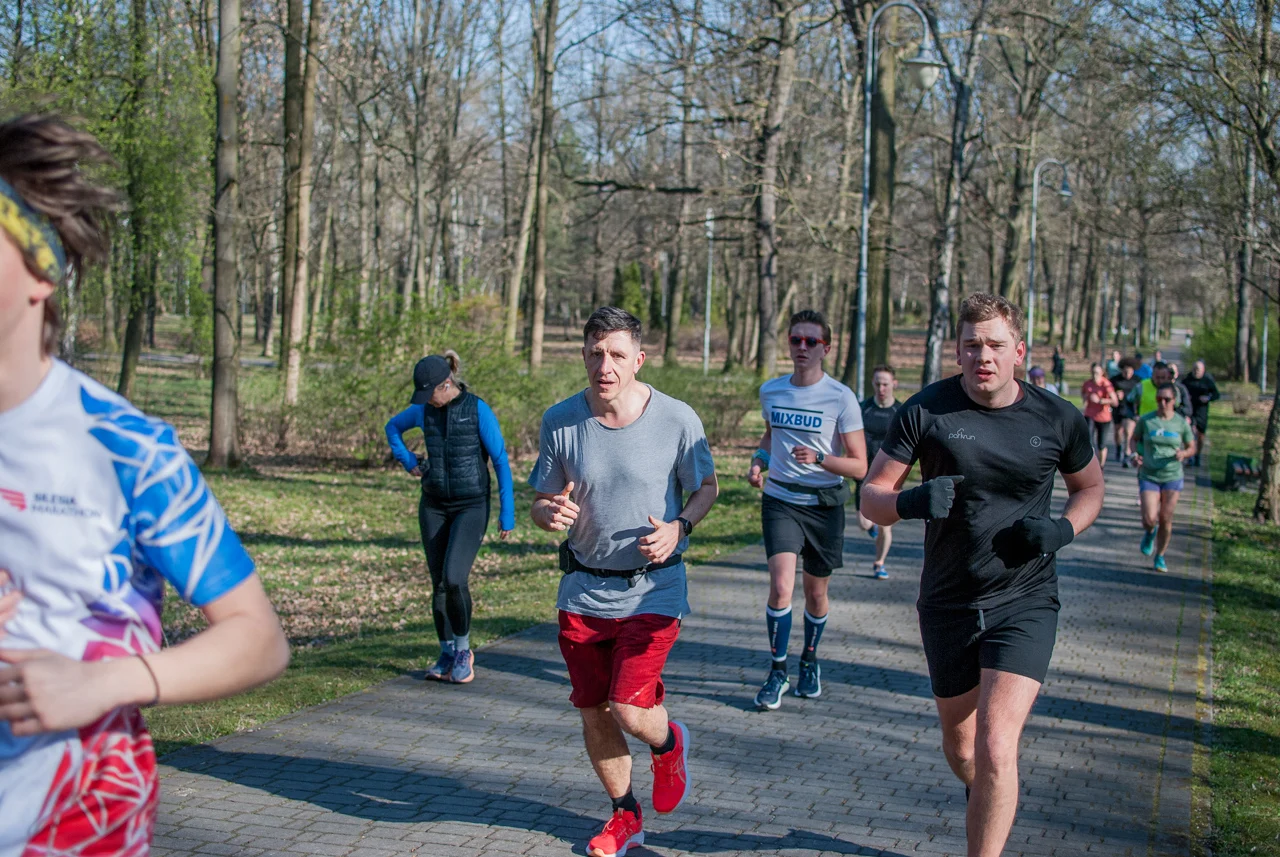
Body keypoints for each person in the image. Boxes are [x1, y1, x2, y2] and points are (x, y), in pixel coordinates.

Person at [0, 114, 289, 853]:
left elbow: (258, 640)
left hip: (75, 814)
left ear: (41, 270)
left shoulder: (125, 447)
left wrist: (103, 682)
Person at [861, 293, 1104, 857]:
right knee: (964, 746)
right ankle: (985, 795)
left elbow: (1090, 488)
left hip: (1025, 598)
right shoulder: (926, 410)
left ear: (1018, 351)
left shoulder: (1057, 417)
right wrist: (913, 501)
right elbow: (872, 497)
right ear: (958, 351)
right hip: (947, 600)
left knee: (998, 745)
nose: (983, 356)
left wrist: (1063, 531)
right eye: (972, 345)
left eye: (995, 345)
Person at [529, 306, 717, 857]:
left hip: (654, 587)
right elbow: (544, 497)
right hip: (583, 591)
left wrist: (681, 525)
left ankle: (669, 740)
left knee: (630, 708)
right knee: (594, 709)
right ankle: (624, 815)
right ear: (582, 356)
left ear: (638, 358)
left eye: (615, 354)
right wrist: (546, 514)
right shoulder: (560, 420)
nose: (603, 365)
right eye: (593, 353)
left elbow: (705, 489)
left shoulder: (678, 419)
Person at [746, 310, 867, 710]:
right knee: (781, 587)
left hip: (823, 505)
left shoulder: (840, 397)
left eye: (810, 342)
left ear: (825, 349)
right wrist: (759, 461)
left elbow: (860, 465)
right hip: (780, 500)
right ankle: (777, 670)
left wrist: (819, 459)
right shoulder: (772, 391)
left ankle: (809, 661)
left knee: (816, 593)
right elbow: (770, 435)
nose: (801, 347)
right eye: (795, 340)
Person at [385, 351, 515, 684]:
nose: (426, 400)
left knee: (455, 578)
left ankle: (463, 650)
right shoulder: (423, 410)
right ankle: (445, 651)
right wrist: (407, 459)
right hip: (433, 504)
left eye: (430, 393)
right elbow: (393, 428)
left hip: (471, 505)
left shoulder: (477, 410)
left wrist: (507, 513)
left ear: (446, 384)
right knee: (438, 582)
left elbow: (500, 461)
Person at [1130, 383, 1196, 573]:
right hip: (1149, 474)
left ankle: (1160, 556)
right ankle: (1150, 532)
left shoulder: (1181, 423)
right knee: (1149, 518)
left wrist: (1184, 454)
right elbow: (1134, 439)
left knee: (1166, 517)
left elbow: (1192, 447)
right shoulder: (1147, 420)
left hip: (1172, 475)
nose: (1162, 403)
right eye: (1159, 399)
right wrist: (1135, 455)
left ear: (1174, 401)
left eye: (1166, 400)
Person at [858, 365, 901, 580]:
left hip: (891, 475)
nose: (881, 388)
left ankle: (879, 563)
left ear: (894, 384)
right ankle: (871, 523)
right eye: (877, 384)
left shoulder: (901, 412)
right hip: (864, 472)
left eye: (885, 384)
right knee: (864, 522)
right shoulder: (863, 408)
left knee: (886, 525)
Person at [1182, 360, 1221, 467]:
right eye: (1194, 369)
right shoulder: (1187, 380)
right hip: (1190, 410)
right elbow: (1180, 391)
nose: (1196, 371)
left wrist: (1208, 398)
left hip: (1202, 411)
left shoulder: (1207, 381)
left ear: (1203, 370)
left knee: (1200, 436)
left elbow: (1216, 395)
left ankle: (1198, 455)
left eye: (1198, 369)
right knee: (1190, 433)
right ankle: (1190, 457)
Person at [1081, 362, 1119, 468]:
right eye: (1093, 373)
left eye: (1097, 373)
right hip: (1089, 415)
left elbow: (1115, 401)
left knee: (1101, 444)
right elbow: (1084, 393)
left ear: (1102, 373)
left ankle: (1101, 466)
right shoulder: (1087, 383)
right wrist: (1085, 399)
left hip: (1103, 417)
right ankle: (1089, 465)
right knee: (1088, 441)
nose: (1095, 375)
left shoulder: (1106, 384)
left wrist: (1100, 401)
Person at [1110, 359, 1141, 467]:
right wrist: (1115, 395)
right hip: (1118, 408)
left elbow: (1140, 396)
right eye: (1125, 371)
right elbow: (1109, 392)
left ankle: (1127, 455)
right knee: (1118, 431)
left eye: (1129, 371)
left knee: (1128, 432)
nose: (1127, 374)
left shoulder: (1137, 381)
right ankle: (1118, 448)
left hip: (1130, 409)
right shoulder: (1115, 380)